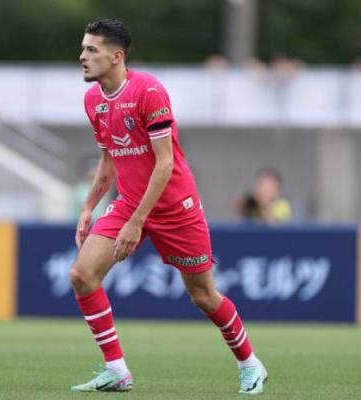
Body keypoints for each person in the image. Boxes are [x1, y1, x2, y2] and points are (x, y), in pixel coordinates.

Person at [70, 19, 267, 394]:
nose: (82, 56)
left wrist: (136, 223)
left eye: (91, 50)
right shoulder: (92, 99)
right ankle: (117, 370)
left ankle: (250, 363)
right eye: (82, 48)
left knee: (203, 295)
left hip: (175, 207)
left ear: (116, 56)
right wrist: (88, 207)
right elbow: (108, 159)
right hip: (130, 203)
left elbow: (165, 163)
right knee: (82, 275)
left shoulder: (149, 91)